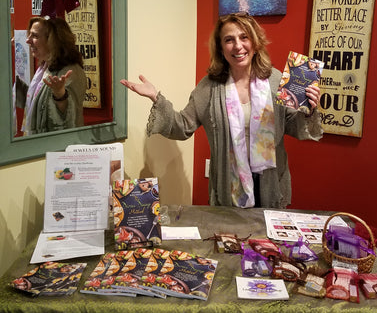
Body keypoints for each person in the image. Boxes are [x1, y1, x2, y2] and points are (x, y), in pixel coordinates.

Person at [121, 13, 322, 209]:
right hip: (229, 186)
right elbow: (183, 125)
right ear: (221, 48)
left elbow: (292, 125)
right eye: (229, 40)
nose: (238, 46)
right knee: (231, 240)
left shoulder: (275, 80)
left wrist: (310, 110)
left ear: (255, 42)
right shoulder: (209, 88)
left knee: (267, 241)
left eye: (244, 37)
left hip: (270, 182)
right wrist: (155, 97)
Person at [16, 16, 86, 135]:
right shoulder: (44, 68)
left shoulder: (71, 72)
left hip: (56, 149)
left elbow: (68, 120)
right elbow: (36, 102)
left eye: (35, 36)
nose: (28, 40)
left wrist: (60, 95)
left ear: (53, 41)